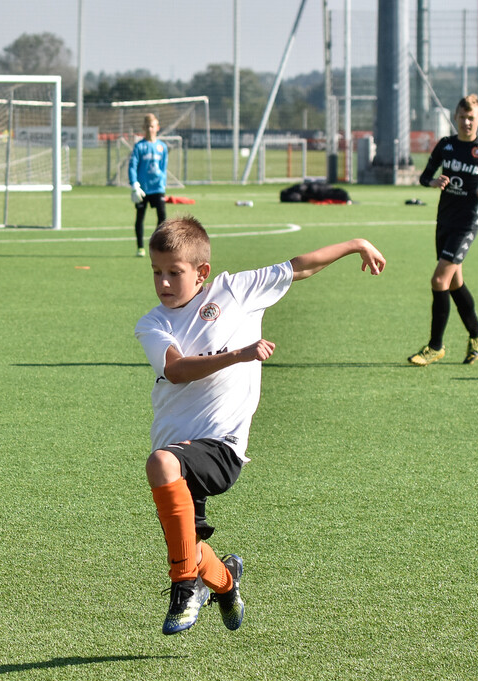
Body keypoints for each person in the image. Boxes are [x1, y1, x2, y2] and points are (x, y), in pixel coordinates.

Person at [134, 216, 385, 635]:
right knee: (190, 548)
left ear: (201, 272)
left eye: (173, 273)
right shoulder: (153, 323)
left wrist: (356, 243)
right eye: (156, 273)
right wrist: (239, 354)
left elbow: (297, 266)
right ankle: (226, 582)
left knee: (160, 464)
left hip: (221, 446)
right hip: (177, 448)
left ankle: (183, 589)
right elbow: (176, 371)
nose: (162, 283)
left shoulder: (235, 291)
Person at [408, 94, 478, 366]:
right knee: (453, 282)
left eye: (471, 117)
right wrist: (433, 182)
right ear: (455, 118)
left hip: (466, 222)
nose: (466, 122)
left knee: (439, 280)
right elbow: (424, 176)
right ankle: (477, 333)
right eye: (462, 117)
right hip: (445, 220)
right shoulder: (446, 146)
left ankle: (435, 347)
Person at [129, 113, 169, 258]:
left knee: (162, 218)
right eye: (147, 126)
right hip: (142, 189)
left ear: (157, 128)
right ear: (143, 128)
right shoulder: (139, 147)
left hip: (158, 188)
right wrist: (134, 184)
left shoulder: (162, 147)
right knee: (140, 217)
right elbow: (132, 166)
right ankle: (140, 247)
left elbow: (163, 168)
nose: (150, 129)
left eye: (152, 126)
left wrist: (163, 184)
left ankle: (158, 245)